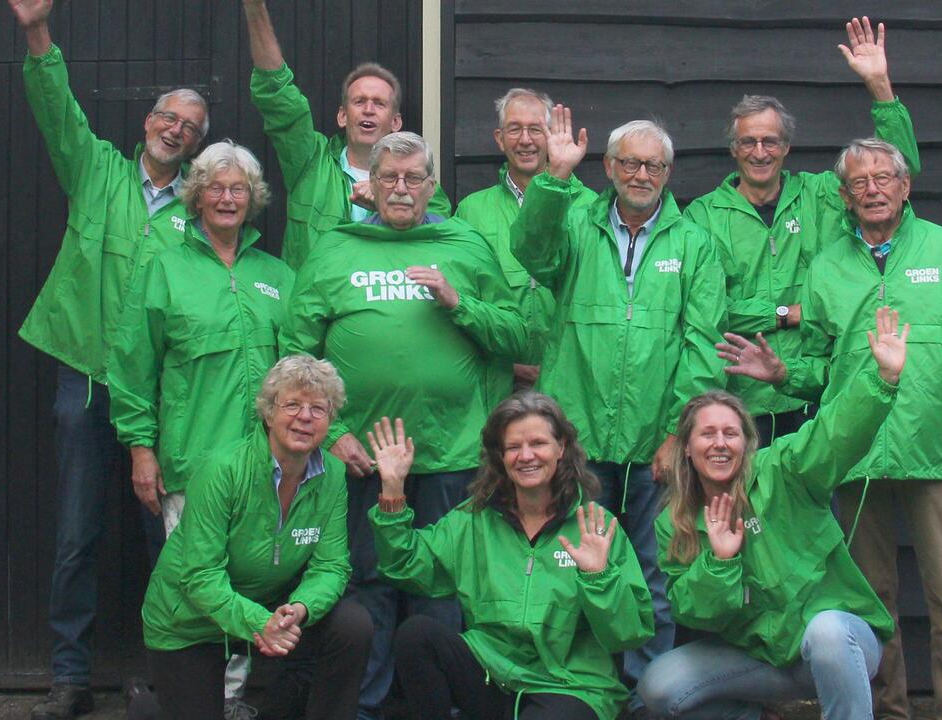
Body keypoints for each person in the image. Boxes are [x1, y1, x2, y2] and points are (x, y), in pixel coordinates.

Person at [727, 139, 942, 720]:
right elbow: (820, 371)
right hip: (853, 455)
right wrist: (783, 374)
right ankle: (890, 710)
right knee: (870, 600)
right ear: (845, 195)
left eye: (884, 177)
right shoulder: (827, 266)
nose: (873, 189)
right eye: (859, 182)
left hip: (934, 451)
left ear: (905, 186)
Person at [7, 1, 208, 716]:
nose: (174, 128)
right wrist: (37, 31)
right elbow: (54, 106)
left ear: (196, 146)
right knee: (77, 535)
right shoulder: (95, 170)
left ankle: (168, 681)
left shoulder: (202, 216)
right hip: (86, 380)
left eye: (189, 126)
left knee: (169, 541)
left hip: (167, 396)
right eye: (167, 117)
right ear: (148, 123)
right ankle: (70, 678)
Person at [281, 131, 525, 718]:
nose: (400, 188)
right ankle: (363, 710)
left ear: (431, 186)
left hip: (454, 453)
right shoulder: (336, 247)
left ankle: (435, 710)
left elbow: (519, 334)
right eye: (389, 176)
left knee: (440, 593)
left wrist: (457, 301)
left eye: (413, 178)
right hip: (359, 456)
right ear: (370, 182)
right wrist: (330, 433)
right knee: (367, 592)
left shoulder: (463, 243)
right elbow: (294, 350)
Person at [511, 108, 728, 702]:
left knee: (655, 574)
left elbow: (702, 346)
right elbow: (531, 251)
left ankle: (648, 692)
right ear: (607, 168)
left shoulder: (695, 246)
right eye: (629, 163)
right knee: (578, 564)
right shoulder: (576, 225)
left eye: (653, 165)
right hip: (576, 440)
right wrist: (554, 178)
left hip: (656, 444)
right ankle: (582, 688)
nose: (641, 174)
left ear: (668, 173)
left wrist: (678, 434)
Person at [639, 307, 908, 720]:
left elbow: (833, 433)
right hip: (762, 658)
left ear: (747, 443)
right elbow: (694, 613)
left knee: (828, 632)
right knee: (658, 687)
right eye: (706, 434)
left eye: (731, 433)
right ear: (687, 449)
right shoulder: (672, 522)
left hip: (837, 648)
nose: (720, 444)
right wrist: (719, 561)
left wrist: (881, 379)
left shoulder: (785, 471)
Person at [106, 140, 292, 718]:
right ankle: (197, 700)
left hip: (262, 467)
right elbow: (134, 366)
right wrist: (141, 448)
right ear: (197, 195)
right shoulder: (165, 268)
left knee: (244, 585)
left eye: (239, 189)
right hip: (192, 465)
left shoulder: (277, 275)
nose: (228, 197)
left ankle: (233, 700)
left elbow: (296, 377)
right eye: (216, 186)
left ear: (254, 199)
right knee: (198, 589)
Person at [683, 17, 920, 444]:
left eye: (770, 141)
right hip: (743, 401)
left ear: (786, 147)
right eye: (749, 142)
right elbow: (711, 311)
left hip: (820, 392)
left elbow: (895, 169)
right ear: (734, 150)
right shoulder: (703, 217)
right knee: (750, 510)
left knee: (814, 509)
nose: (760, 152)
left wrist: (880, 87)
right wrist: (786, 314)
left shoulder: (824, 195)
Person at [369, 394, 654, 720]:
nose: (526, 455)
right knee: (416, 634)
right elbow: (405, 567)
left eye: (538, 443)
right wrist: (392, 490)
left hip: (569, 684)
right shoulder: (474, 519)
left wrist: (598, 576)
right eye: (514, 447)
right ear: (500, 456)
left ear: (561, 448)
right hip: (493, 673)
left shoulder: (595, 526)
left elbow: (630, 633)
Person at [140, 355, 372, 720]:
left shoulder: (333, 476)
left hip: (272, 612)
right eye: (292, 404)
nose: (305, 416)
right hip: (190, 621)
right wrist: (257, 622)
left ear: (331, 419)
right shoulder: (222, 470)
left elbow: (332, 566)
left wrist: (300, 609)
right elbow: (200, 576)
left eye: (318, 408)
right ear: (268, 412)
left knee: (351, 626)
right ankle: (147, 709)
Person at [241, 0, 452, 272]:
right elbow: (278, 96)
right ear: (343, 116)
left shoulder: (417, 179)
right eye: (359, 101)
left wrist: (385, 202)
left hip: (385, 306)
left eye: (379, 103)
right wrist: (255, 8)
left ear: (396, 122)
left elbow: (444, 237)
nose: (368, 109)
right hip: (318, 308)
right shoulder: (311, 165)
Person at [454, 88, 597, 394]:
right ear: (499, 138)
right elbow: (464, 296)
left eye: (536, 129)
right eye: (514, 129)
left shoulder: (589, 206)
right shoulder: (472, 209)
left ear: (551, 137)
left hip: (570, 376)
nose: (526, 140)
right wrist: (509, 365)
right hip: (497, 376)